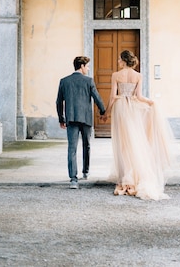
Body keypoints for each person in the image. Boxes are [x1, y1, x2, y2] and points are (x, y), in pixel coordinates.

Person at [102, 50, 173, 200]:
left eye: (119, 59)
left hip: (120, 107)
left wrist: (106, 113)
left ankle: (126, 176)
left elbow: (113, 96)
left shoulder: (116, 75)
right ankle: (134, 174)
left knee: (122, 143)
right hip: (133, 107)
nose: (118, 62)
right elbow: (139, 96)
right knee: (133, 140)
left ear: (123, 60)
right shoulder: (138, 76)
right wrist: (150, 102)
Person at [56, 56, 106, 189]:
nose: (88, 69)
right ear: (82, 66)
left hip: (71, 119)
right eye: (87, 66)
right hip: (86, 118)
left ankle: (73, 179)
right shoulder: (89, 81)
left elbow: (59, 101)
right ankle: (85, 171)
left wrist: (61, 119)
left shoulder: (64, 81)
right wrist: (103, 111)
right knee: (87, 145)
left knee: (72, 148)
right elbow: (97, 97)